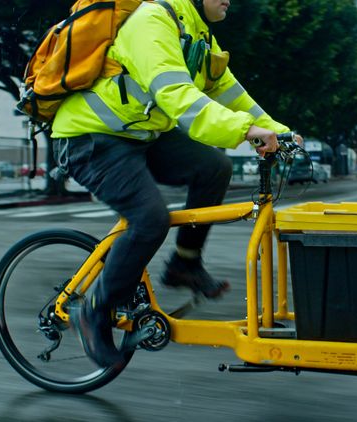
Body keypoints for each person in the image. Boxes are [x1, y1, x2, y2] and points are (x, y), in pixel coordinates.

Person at [50, 0, 301, 368]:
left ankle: (185, 263)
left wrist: (281, 132)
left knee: (213, 167)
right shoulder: (152, 21)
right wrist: (244, 131)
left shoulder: (200, 36)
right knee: (150, 219)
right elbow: (178, 98)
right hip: (91, 138)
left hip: (139, 134)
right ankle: (94, 310)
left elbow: (233, 97)